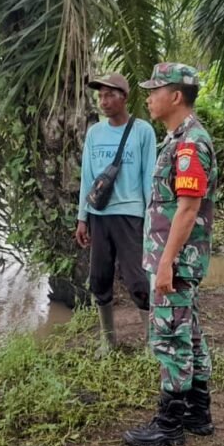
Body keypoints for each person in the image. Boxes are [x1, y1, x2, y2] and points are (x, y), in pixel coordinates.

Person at [123, 63, 217, 446]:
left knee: (171, 335)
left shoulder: (189, 144)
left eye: (155, 90)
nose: (148, 97)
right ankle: (197, 412)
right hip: (177, 258)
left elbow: (188, 209)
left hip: (176, 260)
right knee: (188, 332)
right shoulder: (179, 139)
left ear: (175, 96)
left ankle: (169, 423)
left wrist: (165, 263)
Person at [76, 72, 157, 354]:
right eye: (100, 96)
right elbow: (88, 178)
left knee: (137, 279)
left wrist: (151, 219)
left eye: (110, 95)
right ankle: (107, 341)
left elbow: (149, 177)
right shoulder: (95, 133)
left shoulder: (143, 131)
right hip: (99, 215)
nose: (103, 101)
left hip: (130, 215)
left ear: (124, 98)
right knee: (99, 277)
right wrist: (82, 218)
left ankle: (151, 341)